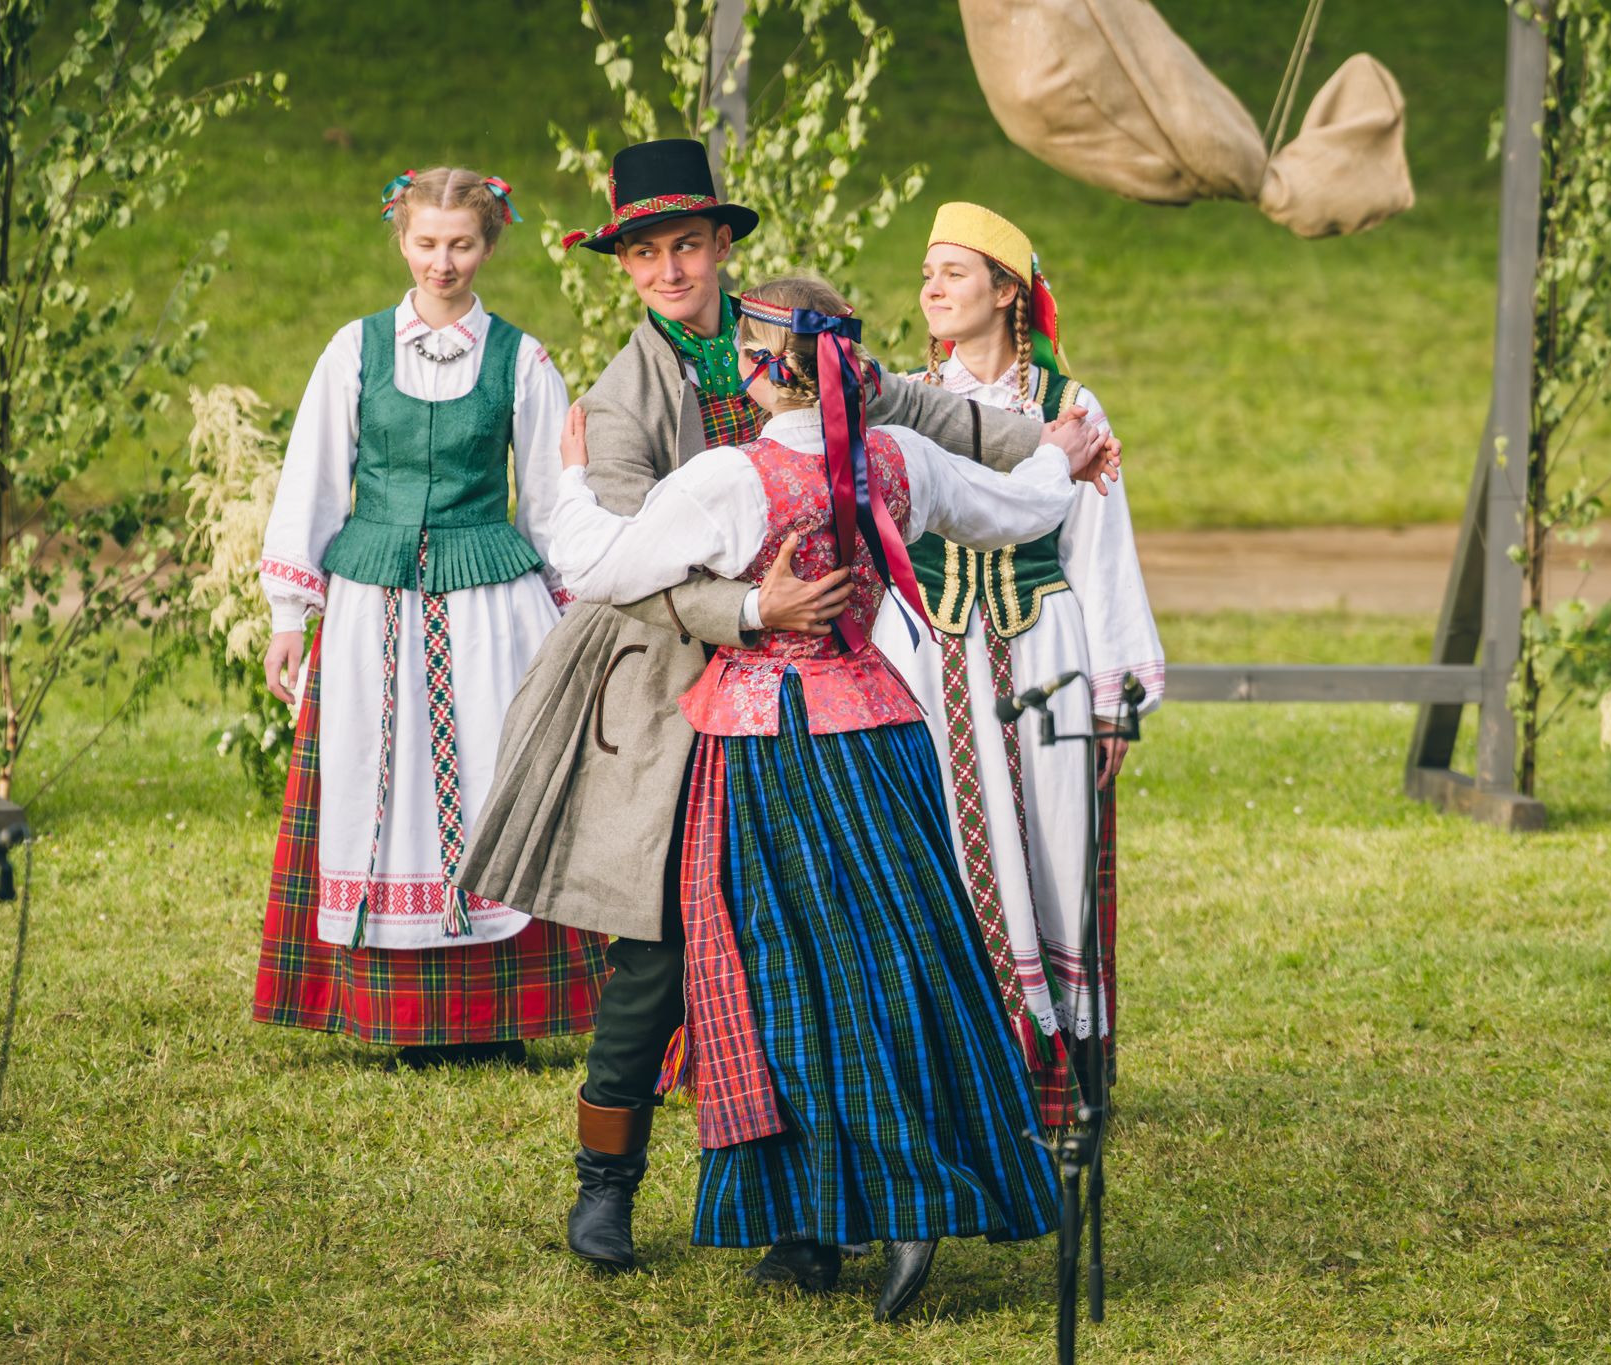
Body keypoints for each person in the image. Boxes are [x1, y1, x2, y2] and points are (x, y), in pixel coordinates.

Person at [455, 138, 1119, 1270]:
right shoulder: (620, 399)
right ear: (625, 268)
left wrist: (1058, 442)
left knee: (801, 951)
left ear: (720, 245)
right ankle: (605, 1184)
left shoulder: (798, 336)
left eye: (685, 245)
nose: (669, 269)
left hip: (801, 707)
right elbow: (626, 567)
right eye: (645, 254)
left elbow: (927, 415)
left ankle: (808, 1213)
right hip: (665, 695)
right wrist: (755, 607)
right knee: (658, 960)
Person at [250, 167, 607, 1068]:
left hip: (491, 610)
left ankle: (497, 1011)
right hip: (374, 608)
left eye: (461, 244)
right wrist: (290, 612)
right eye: (425, 243)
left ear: (489, 245)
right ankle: (396, 1010)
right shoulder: (354, 350)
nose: (442, 262)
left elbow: (553, 503)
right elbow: (313, 479)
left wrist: (569, 618)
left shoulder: (522, 360)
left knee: (493, 779)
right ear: (401, 239)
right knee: (381, 778)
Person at [877, 202, 1164, 1121]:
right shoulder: (904, 400)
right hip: (931, 657)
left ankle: (1059, 1071)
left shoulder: (1069, 407)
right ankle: (963, 1068)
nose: (932, 288)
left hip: (1044, 653)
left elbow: (1101, 548)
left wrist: (1115, 698)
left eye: (954, 272)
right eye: (927, 273)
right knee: (948, 848)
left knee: (1052, 839)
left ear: (1007, 292)